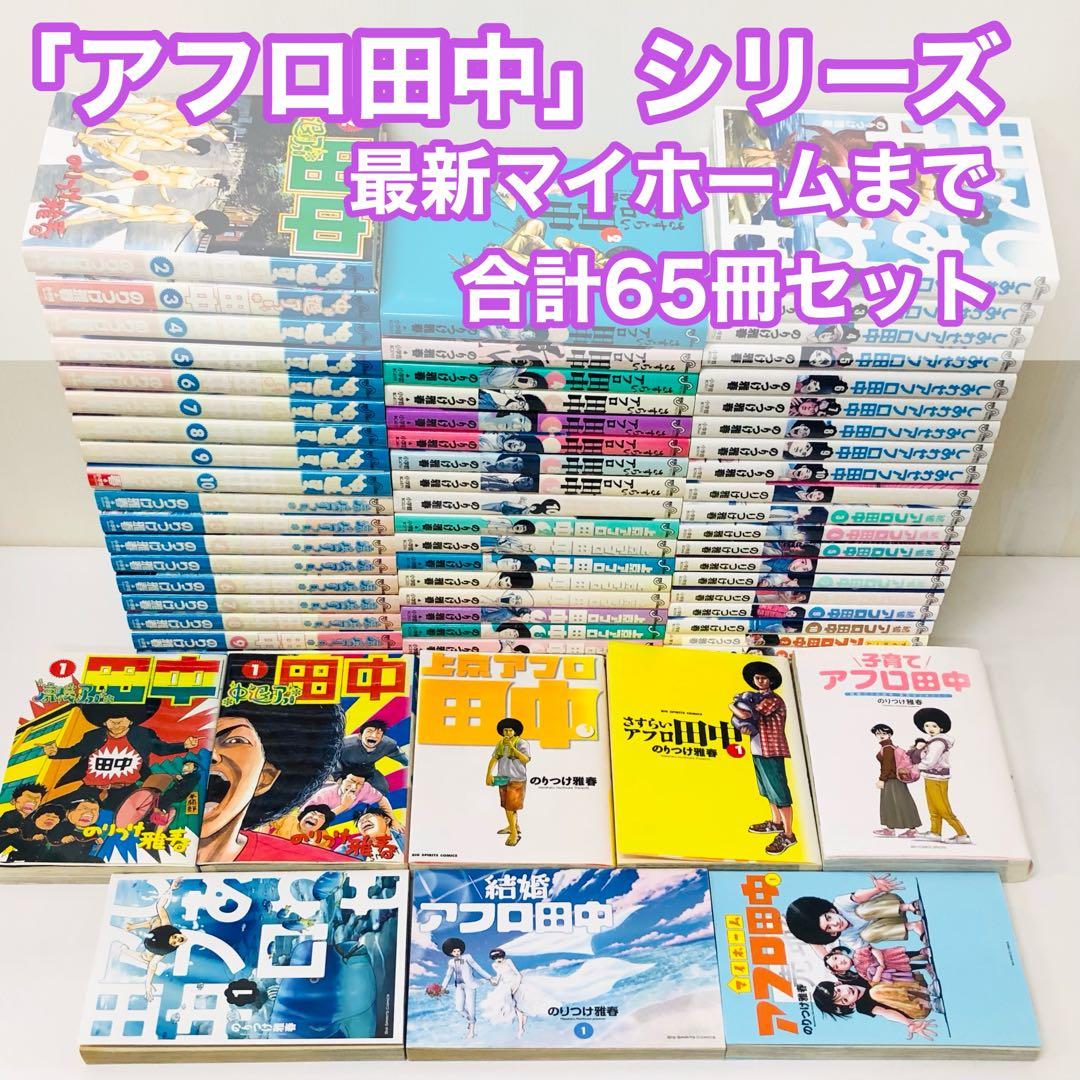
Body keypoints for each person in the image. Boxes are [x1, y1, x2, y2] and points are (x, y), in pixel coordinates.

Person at [197, 701, 348, 864]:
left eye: (234, 740)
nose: (209, 754)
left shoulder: (321, 868)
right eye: (195, 739)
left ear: (264, 778)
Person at [41, 702, 199, 810]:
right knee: (51, 808)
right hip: (90, 789)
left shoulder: (142, 735)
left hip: (126, 790)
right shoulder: (93, 736)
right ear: (104, 723)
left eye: (121, 721)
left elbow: (161, 748)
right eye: (112, 721)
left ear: (130, 721)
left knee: (145, 814)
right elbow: (76, 750)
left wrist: (184, 745)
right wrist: (56, 752)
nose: (117, 725)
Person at [730, 662, 797, 855]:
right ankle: (776, 822)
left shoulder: (772, 699)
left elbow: (748, 715)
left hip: (772, 749)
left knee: (779, 792)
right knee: (767, 789)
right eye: (757, 678)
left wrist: (731, 705)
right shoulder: (756, 697)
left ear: (771, 681)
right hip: (758, 748)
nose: (760, 681)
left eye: (764, 678)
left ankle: (788, 834)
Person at [785, 873, 924, 956]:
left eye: (829, 918)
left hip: (892, 904)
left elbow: (857, 897)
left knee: (862, 911)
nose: (835, 923)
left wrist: (877, 889)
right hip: (895, 923)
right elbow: (864, 948)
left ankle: (910, 907)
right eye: (829, 927)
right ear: (831, 934)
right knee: (867, 936)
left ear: (831, 911)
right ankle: (913, 926)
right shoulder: (846, 936)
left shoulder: (840, 904)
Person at [117, 883, 187, 1003]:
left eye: (175, 941)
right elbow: (160, 907)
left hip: (154, 938)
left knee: (157, 921)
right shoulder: (163, 944)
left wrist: (148, 985)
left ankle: (127, 942)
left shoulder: (164, 944)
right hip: (151, 943)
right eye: (175, 938)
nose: (178, 939)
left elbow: (160, 907)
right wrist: (170, 889)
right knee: (147, 957)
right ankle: (130, 933)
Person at [913, 708, 970, 844]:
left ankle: (962, 834)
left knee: (943, 808)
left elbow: (929, 761)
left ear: (941, 727)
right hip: (930, 777)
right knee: (933, 807)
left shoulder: (938, 743)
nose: (930, 729)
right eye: (927, 725)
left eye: (934, 726)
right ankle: (935, 832)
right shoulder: (932, 741)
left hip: (937, 779)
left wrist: (916, 767)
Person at [812, 978, 935, 1040]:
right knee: (875, 992)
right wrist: (908, 1023)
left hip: (915, 983)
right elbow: (885, 1012)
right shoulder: (862, 1007)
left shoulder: (854, 978)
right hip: (915, 1007)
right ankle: (930, 1002)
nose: (846, 993)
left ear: (838, 983)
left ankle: (927, 989)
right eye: (844, 1000)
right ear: (850, 1005)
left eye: (839, 990)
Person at [336, 718, 409, 800]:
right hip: (344, 771)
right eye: (369, 731)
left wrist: (413, 766)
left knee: (382, 789)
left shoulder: (388, 745)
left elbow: (402, 757)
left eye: (378, 733)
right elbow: (332, 761)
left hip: (368, 771)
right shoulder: (344, 744)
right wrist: (337, 778)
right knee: (337, 791)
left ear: (382, 737)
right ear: (360, 735)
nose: (374, 736)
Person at [485, 717, 531, 847]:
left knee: (511, 808)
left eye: (510, 730)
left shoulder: (522, 743)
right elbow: (494, 758)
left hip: (517, 779)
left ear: (515, 731)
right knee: (507, 806)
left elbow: (526, 759)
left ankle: (514, 834)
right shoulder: (501, 743)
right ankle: (513, 826)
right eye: (505, 730)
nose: (507, 733)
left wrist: (512, 747)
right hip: (503, 778)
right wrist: (488, 774)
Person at [870, 724, 921, 838]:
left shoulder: (887, 748)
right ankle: (893, 828)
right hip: (894, 779)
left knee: (897, 803)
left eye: (884, 733)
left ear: (889, 734)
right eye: (878, 733)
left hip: (892, 780)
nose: (881, 735)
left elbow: (887, 766)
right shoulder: (888, 747)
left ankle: (907, 830)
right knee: (897, 803)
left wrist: (881, 779)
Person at [438, 937, 493, 1040]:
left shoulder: (467, 957)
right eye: (454, 951)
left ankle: (471, 1031)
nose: (457, 953)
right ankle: (470, 1019)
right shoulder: (451, 962)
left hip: (470, 986)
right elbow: (448, 975)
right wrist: (443, 988)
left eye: (458, 951)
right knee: (459, 1008)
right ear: (450, 952)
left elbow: (477, 968)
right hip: (459, 987)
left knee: (471, 1008)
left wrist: (489, 978)